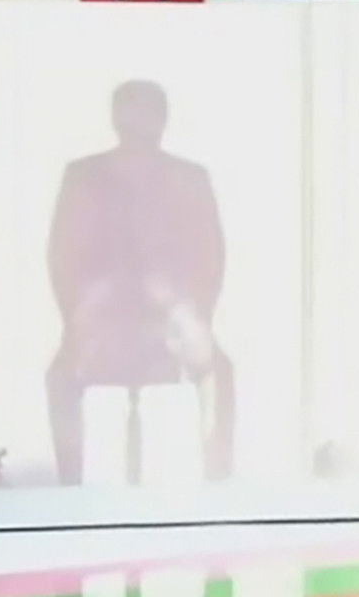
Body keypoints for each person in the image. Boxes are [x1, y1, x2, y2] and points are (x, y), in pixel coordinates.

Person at [45, 80, 234, 485]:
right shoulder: (83, 176)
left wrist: (192, 313)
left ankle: (218, 480)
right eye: (130, 111)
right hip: (102, 314)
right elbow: (63, 255)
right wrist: (78, 317)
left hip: (172, 314)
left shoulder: (190, 177)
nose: (139, 121)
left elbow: (211, 257)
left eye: (148, 111)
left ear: (163, 118)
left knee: (217, 368)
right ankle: (68, 483)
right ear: (115, 117)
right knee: (61, 374)